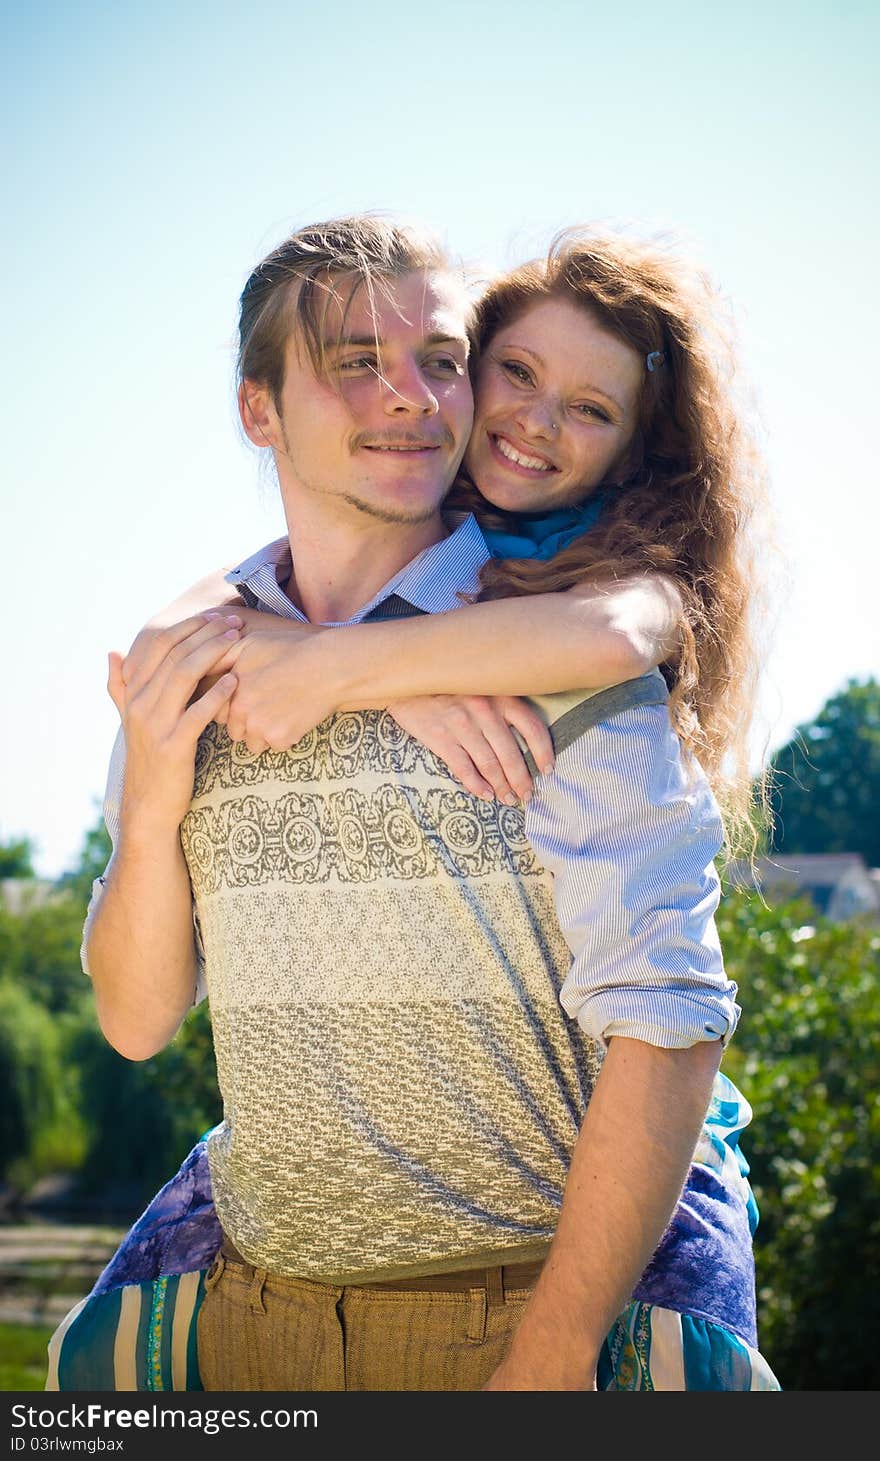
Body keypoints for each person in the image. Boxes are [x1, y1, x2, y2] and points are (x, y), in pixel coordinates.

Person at [69, 215, 779, 1392]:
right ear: (260, 410)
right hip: (253, 1317)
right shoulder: (197, 664)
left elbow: (670, 1024)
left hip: (515, 1326)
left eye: (439, 360)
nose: (410, 396)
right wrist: (152, 808)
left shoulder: (556, 648)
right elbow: (138, 1022)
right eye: (356, 360)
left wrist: (546, 1362)